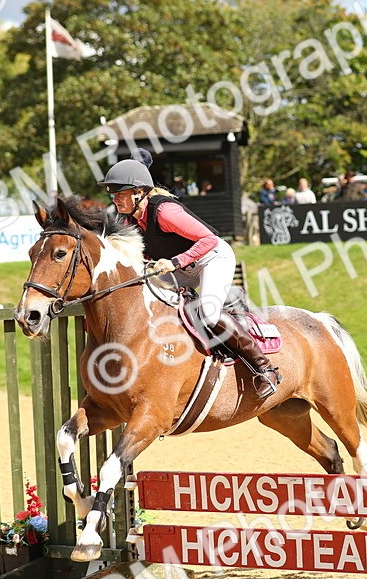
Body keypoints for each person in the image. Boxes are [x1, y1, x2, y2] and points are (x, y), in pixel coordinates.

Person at [99, 150, 281, 399]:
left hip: (212, 258)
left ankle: (263, 368)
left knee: (208, 313)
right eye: (112, 194)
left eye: (120, 193)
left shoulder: (164, 211)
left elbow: (209, 239)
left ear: (139, 192)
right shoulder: (130, 220)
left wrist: (175, 262)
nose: (115, 199)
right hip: (182, 270)